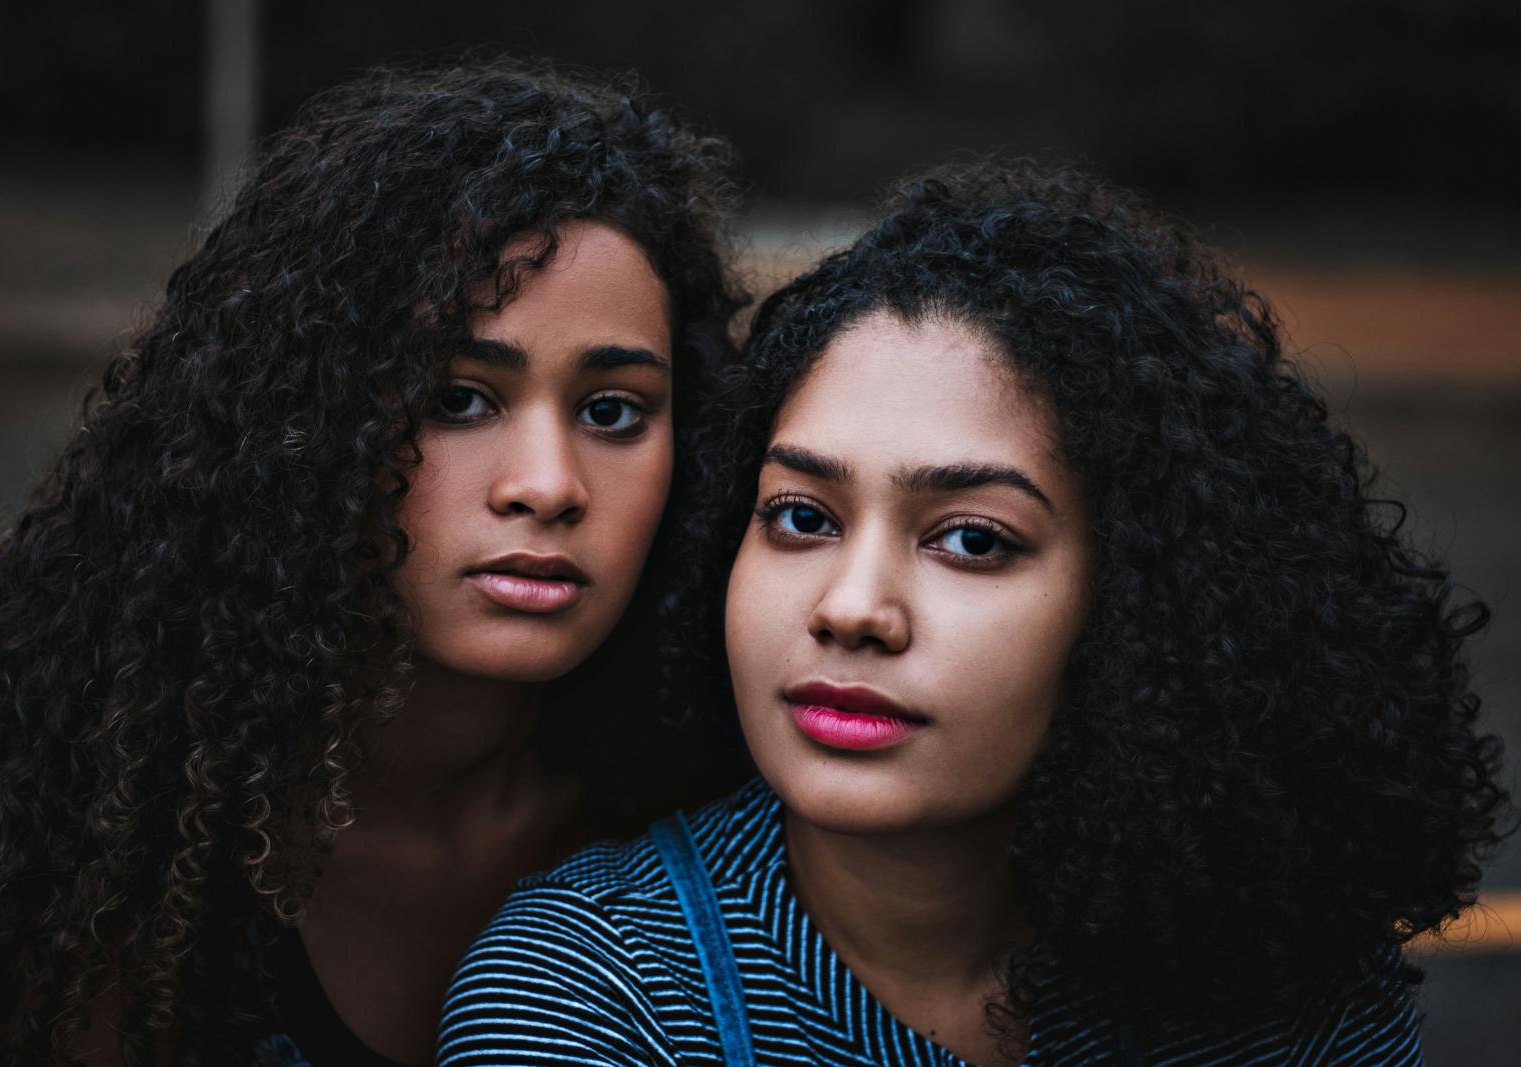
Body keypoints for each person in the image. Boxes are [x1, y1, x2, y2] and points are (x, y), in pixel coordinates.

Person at [437, 161, 1512, 1065]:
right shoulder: (588, 992)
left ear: (1136, 598)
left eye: (971, 538)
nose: (852, 609)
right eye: (801, 516)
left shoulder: (1287, 972)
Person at [0, 61, 747, 1066]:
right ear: (305, 425)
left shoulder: (718, 798)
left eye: (612, 411)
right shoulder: (97, 816)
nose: (546, 484)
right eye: (457, 400)